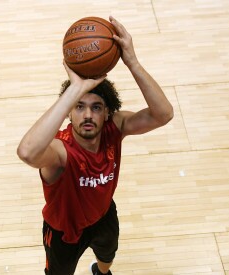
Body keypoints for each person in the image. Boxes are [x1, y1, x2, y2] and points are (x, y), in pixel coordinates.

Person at [17, 16, 174, 275]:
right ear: (68, 112)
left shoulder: (115, 128)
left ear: (108, 113)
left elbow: (163, 114)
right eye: (79, 106)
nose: (87, 115)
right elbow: (27, 152)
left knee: (108, 254)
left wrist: (131, 61)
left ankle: (101, 273)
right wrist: (75, 89)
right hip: (63, 232)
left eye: (96, 107)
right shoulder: (60, 151)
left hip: (103, 215)